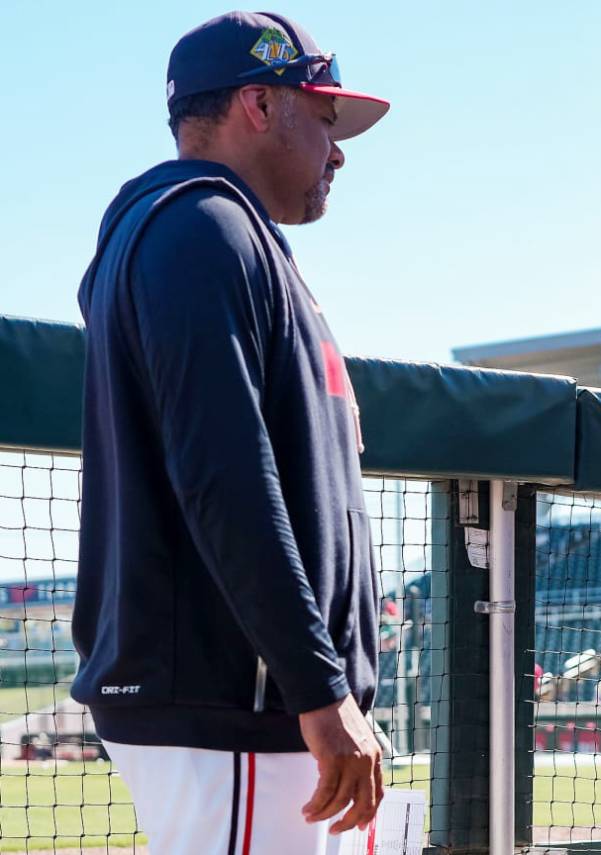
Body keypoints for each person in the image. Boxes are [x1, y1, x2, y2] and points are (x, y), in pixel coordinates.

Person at [73, 12, 390, 854]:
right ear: (258, 103)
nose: (338, 148)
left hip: (263, 703)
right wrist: (320, 692)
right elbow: (225, 478)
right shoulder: (196, 228)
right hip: (239, 706)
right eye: (322, 118)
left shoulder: (232, 236)